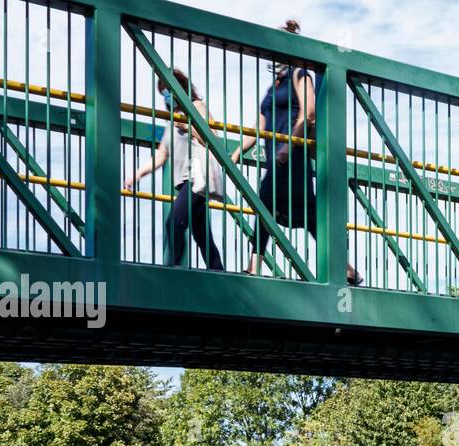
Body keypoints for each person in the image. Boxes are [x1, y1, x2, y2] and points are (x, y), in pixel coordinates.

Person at [231, 20, 360, 284]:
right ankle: (347, 269)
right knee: (307, 215)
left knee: (266, 202)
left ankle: (253, 267)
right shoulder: (272, 88)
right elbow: (258, 128)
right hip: (277, 160)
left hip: (293, 157)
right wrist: (234, 153)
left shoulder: (299, 73)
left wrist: (288, 148)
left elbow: (309, 114)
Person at [124, 68, 224, 271]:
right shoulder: (171, 119)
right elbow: (161, 155)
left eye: (169, 90)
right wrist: (136, 175)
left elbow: (212, 136)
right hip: (186, 184)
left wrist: (188, 126)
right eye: (163, 93)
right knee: (203, 237)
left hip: (196, 179)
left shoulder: (196, 106)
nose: (167, 97)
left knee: (174, 223)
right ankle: (220, 275)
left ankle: (172, 273)